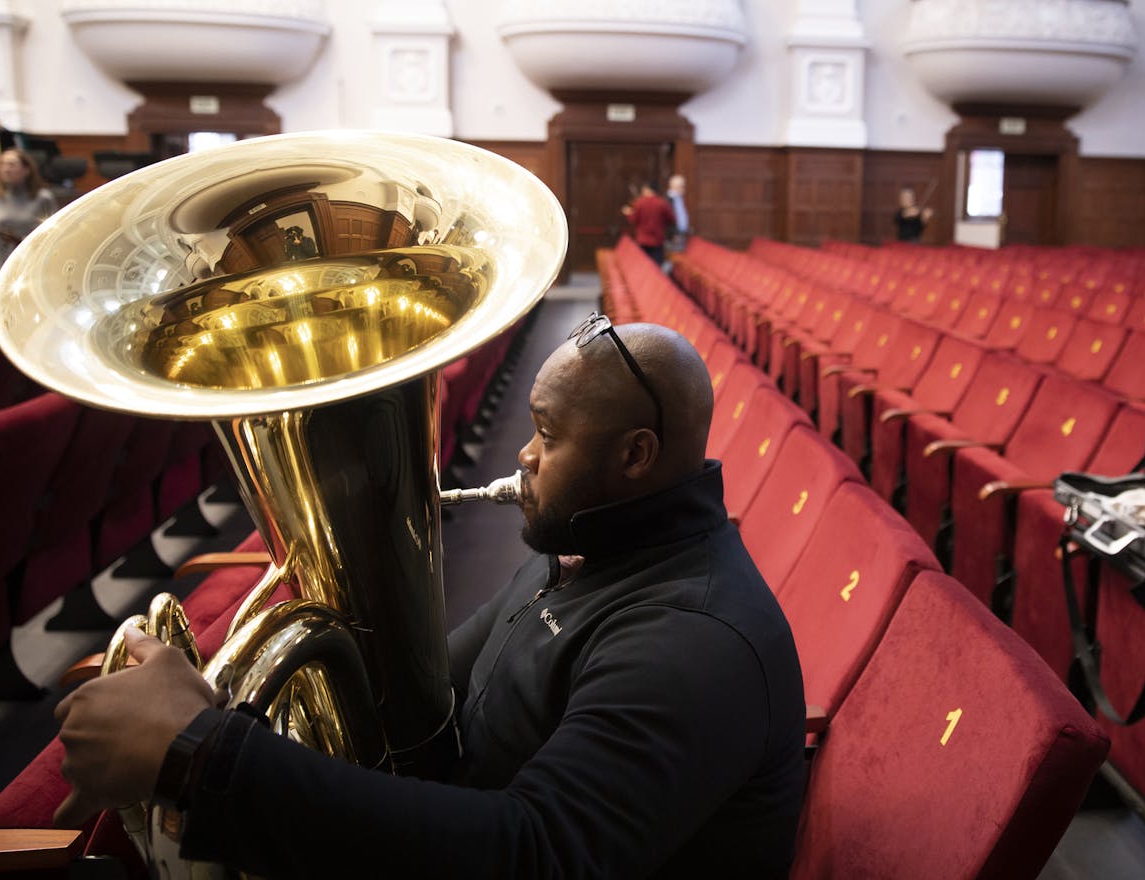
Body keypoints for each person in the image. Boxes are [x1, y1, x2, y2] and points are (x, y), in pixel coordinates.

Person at [52, 314, 808, 877]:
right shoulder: (591, 549)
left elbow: (534, 855)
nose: (524, 453)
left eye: (547, 434)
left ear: (634, 456)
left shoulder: (691, 636)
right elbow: (425, 699)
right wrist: (219, 718)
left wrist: (201, 758)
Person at [0, 148, 57, 278]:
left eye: (11, 164)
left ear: (26, 170)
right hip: (4, 263)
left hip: (32, 263)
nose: (6, 169)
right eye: (2, 164)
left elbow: (53, 234)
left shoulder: (43, 198)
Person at [621, 180, 674, 267]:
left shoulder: (640, 202)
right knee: (656, 268)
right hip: (658, 240)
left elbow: (633, 219)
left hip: (643, 240)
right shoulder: (662, 203)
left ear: (647, 190)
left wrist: (628, 213)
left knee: (644, 267)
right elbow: (672, 219)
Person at [666, 173, 690, 253]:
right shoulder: (668, 200)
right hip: (674, 236)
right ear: (674, 186)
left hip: (681, 234)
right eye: (681, 186)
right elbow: (668, 219)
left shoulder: (679, 198)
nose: (683, 188)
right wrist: (673, 234)